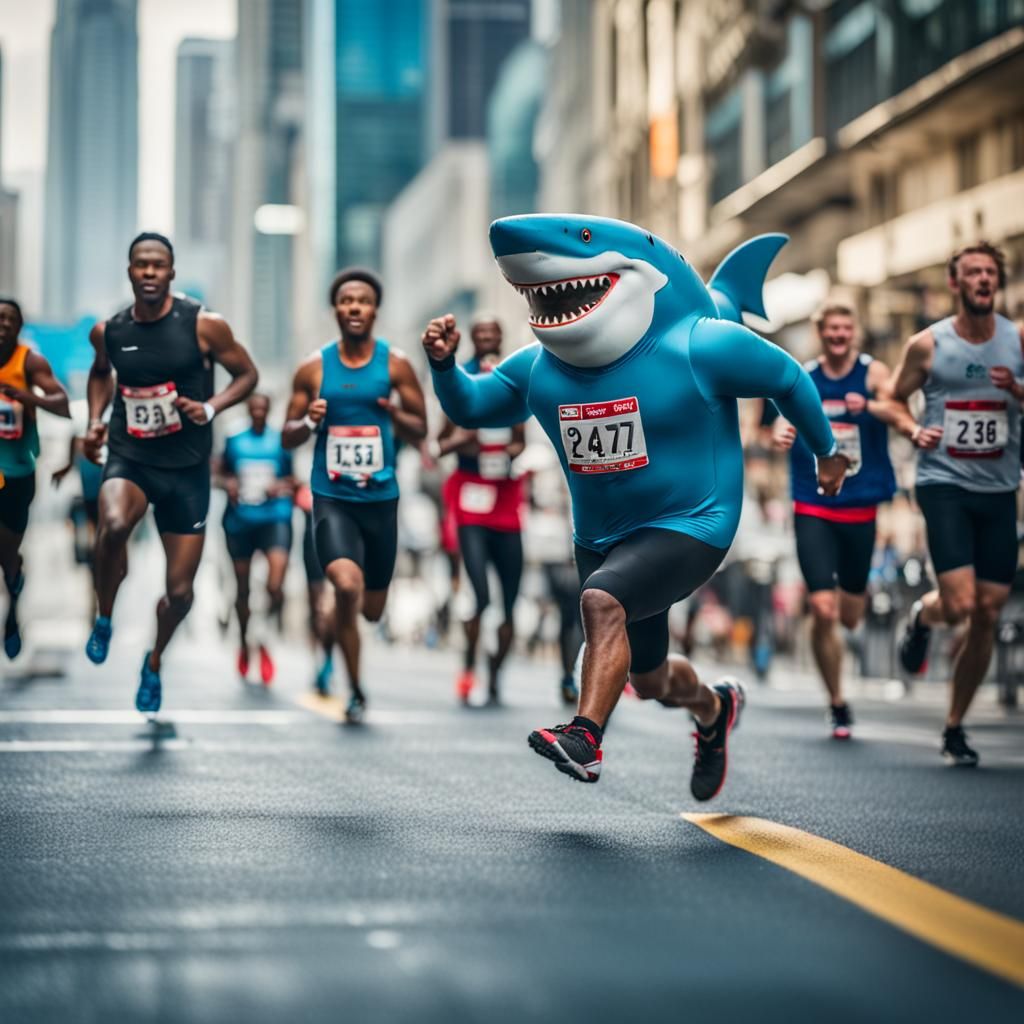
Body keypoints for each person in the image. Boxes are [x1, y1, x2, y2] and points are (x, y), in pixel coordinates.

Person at [423, 215, 845, 799]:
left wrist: (827, 450)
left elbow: (789, 378)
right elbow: (472, 407)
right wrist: (444, 367)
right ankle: (713, 707)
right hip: (601, 537)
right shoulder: (537, 369)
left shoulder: (701, 344)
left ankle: (586, 738)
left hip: (693, 522)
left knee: (601, 602)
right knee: (648, 679)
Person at [82, 233, 258, 713]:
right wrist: (96, 421)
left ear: (172, 273)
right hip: (131, 456)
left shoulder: (205, 325)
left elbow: (248, 376)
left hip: (187, 470)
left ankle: (154, 660)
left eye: (159, 265)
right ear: (130, 271)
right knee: (114, 524)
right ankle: (103, 616)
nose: (150, 272)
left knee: (180, 594)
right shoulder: (110, 331)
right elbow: (101, 373)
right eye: (142, 265)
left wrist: (210, 406)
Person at [889, 242, 1024, 766]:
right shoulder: (928, 345)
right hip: (943, 484)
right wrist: (911, 427)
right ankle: (926, 615)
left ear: (998, 282)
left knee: (988, 613)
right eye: (974, 272)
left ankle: (954, 725)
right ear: (956, 283)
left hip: (998, 489)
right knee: (963, 604)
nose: (983, 279)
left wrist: (1016, 390)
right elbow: (894, 398)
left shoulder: (1016, 342)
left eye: (991, 272)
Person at [282, 268, 426, 724]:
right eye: (346, 300)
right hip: (333, 498)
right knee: (347, 585)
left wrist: (393, 414)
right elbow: (286, 437)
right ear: (336, 309)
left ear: (374, 309)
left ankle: (339, 616)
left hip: (381, 502)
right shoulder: (313, 368)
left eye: (362, 300)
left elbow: (421, 429)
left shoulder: (397, 365)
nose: (354, 308)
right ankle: (357, 687)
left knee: (370, 608)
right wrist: (308, 422)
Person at [771, 302, 900, 739]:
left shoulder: (874, 373)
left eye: (846, 328)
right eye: (832, 329)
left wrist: (870, 406)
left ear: (855, 332)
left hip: (860, 506)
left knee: (849, 615)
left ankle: (844, 623)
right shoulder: (801, 376)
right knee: (822, 609)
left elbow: (899, 412)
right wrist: (779, 433)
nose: (839, 335)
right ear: (821, 333)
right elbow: (766, 427)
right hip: (813, 504)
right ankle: (837, 702)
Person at [433, 314, 526, 706]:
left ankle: (496, 675)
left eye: (493, 333)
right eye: (481, 334)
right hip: (471, 501)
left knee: (509, 602)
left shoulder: (514, 376)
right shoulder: (461, 378)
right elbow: (440, 441)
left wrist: (509, 453)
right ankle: (470, 662)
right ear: (472, 339)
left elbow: (520, 439)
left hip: (505, 500)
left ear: (501, 337)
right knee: (481, 595)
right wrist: (466, 440)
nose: (487, 338)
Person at [0, 297, 71, 657]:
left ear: (19, 325)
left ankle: (13, 605)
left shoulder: (30, 361)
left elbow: (63, 404)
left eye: (9, 319)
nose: (2, 324)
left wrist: (29, 398)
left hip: (17, 473)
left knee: (7, 553)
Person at [216, 393, 295, 685]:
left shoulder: (280, 442)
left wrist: (280, 486)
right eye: (255, 407)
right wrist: (229, 483)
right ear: (249, 409)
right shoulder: (235, 440)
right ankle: (244, 640)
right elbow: (219, 472)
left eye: (264, 407)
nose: (259, 411)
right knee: (243, 590)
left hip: (274, 517)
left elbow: (294, 480)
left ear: (269, 409)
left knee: (275, 585)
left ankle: (264, 638)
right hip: (240, 521)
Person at [296, 482, 336, 696]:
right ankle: (319, 664)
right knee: (317, 609)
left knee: (333, 605)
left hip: (341, 535)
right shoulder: (298, 455)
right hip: (312, 541)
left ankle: (330, 657)